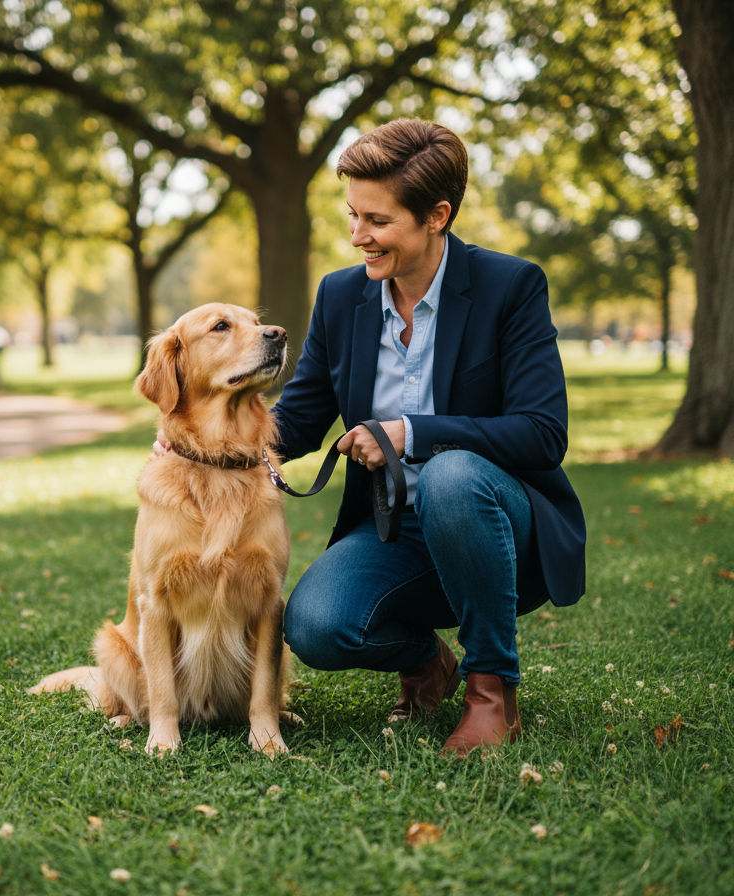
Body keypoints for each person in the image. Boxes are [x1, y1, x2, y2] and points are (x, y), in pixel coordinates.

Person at [155, 119, 586, 756]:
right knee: (316, 626)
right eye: (352, 215)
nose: (359, 236)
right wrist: (192, 447)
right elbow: (297, 419)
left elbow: (543, 434)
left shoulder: (510, 287)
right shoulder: (340, 296)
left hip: (495, 524)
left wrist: (409, 433)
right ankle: (426, 661)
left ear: (437, 216)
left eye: (377, 221)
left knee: (451, 474)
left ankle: (492, 690)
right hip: (392, 530)